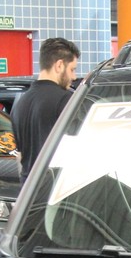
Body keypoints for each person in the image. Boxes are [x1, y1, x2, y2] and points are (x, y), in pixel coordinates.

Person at [11, 37, 80, 177]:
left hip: (29, 187)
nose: (74, 77)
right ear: (59, 65)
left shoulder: (20, 104)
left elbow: (20, 157)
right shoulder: (65, 100)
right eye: (72, 69)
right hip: (55, 186)